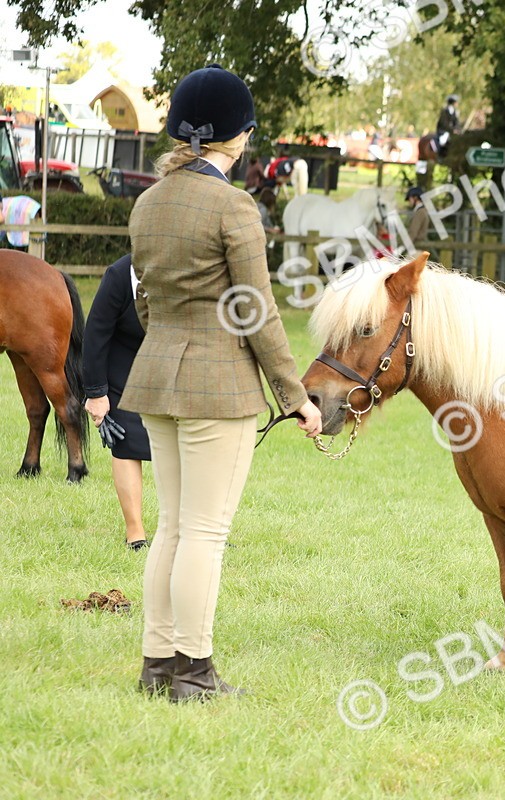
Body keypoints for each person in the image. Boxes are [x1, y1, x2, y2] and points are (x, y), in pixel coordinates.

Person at [123, 64, 322, 703]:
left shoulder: (148, 201)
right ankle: (195, 672)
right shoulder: (234, 206)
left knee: (173, 526)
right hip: (217, 387)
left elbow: (146, 297)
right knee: (204, 531)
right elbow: (256, 311)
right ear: (237, 137)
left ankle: (158, 663)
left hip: (156, 377)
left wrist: (166, 340)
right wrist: (296, 398)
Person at [83, 254, 150, 550]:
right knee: (126, 444)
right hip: (123, 365)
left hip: (174, 365)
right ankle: (135, 533)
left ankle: (196, 534)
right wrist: (97, 393)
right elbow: (96, 333)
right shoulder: (118, 275)